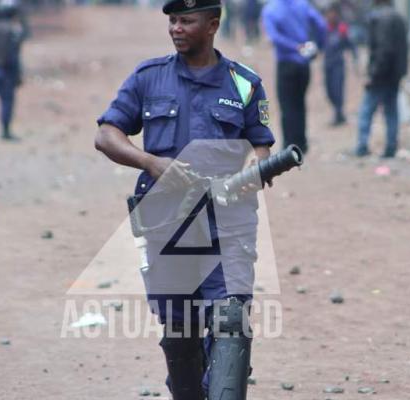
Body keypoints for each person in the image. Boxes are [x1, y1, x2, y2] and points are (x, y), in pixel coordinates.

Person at [94, 1, 276, 399]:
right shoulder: (148, 78)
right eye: (173, 20)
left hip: (227, 225)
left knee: (230, 323)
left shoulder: (244, 83)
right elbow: (107, 134)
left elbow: (261, 147)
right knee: (181, 334)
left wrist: (251, 177)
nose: (176, 28)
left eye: (186, 21)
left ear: (212, 25)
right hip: (167, 225)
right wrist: (150, 162)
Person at [262, 0, 326, 154]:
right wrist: (318, 46)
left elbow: (274, 37)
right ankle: (302, 144)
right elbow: (321, 25)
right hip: (304, 64)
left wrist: (294, 47)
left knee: (287, 105)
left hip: (286, 63)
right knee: (300, 103)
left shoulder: (271, 9)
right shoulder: (302, 4)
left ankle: (289, 146)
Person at [355, 0, 408, 158]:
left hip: (381, 75)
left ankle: (362, 146)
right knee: (391, 111)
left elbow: (384, 49)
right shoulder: (398, 18)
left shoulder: (379, 18)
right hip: (394, 74)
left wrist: (374, 74)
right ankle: (391, 147)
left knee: (367, 110)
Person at [0, 0, 27, 141]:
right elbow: (14, 54)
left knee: (2, 98)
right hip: (8, 70)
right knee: (8, 100)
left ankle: (4, 128)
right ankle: (5, 130)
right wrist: (18, 73)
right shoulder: (13, 30)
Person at [323, 2, 357, 126]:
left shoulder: (342, 28)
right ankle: (338, 112)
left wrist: (355, 59)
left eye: (332, 13)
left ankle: (338, 114)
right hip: (327, 64)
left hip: (338, 64)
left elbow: (351, 45)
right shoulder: (324, 28)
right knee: (329, 90)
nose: (330, 16)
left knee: (338, 90)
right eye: (328, 13)